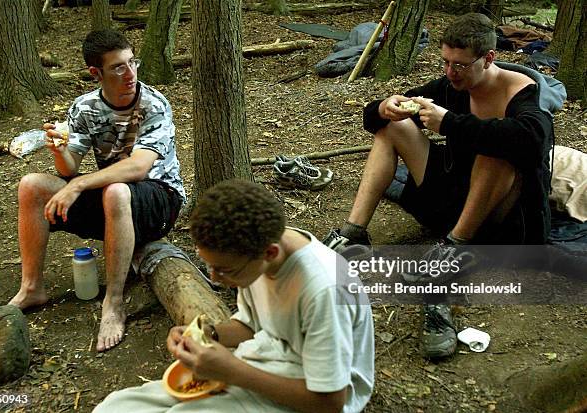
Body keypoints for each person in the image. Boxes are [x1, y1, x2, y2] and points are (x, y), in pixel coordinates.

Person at [323, 13, 565, 358]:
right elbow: (374, 118)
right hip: (451, 200)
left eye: (461, 66)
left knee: (496, 145)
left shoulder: (523, 93)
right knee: (391, 128)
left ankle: (455, 248)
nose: (451, 73)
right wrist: (383, 107)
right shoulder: (450, 86)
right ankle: (354, 232)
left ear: (489, 59)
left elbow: (531, 142)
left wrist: (449, 123)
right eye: (446, 63)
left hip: (499, 224)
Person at [94, 180, 374, 413]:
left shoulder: (322, 289)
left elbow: (331, 402)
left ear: (270, 253)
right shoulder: (250, 253)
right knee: (116, 407)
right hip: (261, 361)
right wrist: (207, 335)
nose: (214, 278)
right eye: (210, 266)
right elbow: (251, 326)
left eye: (224, 270)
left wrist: (232, 371)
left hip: (304, 390)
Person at [8, 29, 187, 352]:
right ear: (96, 73)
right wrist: (58, 149)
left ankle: (114, 302)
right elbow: (70, 167)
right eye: (119, 67)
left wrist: (77, 185)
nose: (130, 73)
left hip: (159, 201)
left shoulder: (153, 103)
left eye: (133, 62)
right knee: (32, 186)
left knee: (117, 189)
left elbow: (138, 168)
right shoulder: (85, 107)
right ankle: (32, 287)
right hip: (112, 202)